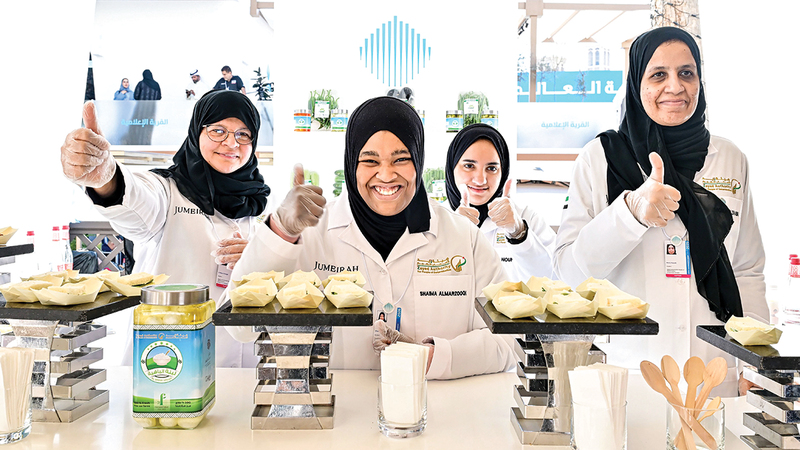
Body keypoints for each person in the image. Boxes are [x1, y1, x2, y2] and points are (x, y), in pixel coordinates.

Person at [230, 96, 514, 380]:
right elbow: (239, 328)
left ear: (419, 160)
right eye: (370, 160)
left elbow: (509, 341)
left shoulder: (463, 237)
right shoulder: (311, 233)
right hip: (339, 405)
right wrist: (280, 230)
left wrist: (428, 358)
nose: (386, 174)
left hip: (437, 406)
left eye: (401, 159)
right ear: (351, 162)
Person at [554, 27, 767, 396]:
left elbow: (747, 269)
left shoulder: (730, 158)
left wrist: (754, 356)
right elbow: (569, 273)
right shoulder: (601, 158)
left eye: (686, 73)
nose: (675, 86)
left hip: (715, 376)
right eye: (658, 75)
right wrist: (629, 213)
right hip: (630, 377)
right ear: (637, 83)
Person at [60, 90, 271, 368]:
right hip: (169, 361)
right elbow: (136, 201)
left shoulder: (261, 203)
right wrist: (107, 178)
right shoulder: (168, 191)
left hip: (247, 366)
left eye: (243, 134)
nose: (231, 142)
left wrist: (261, 257)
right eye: (218, 131)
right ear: (197, 132)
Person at [445, 124, 556, 280]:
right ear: (452, 167)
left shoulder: (527, 218)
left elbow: (555, 279)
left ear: (503, 172)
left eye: (491, 168)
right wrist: (450, 237)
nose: (480, 180)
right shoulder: (432, 220)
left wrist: (519, 234)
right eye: (469, 166)